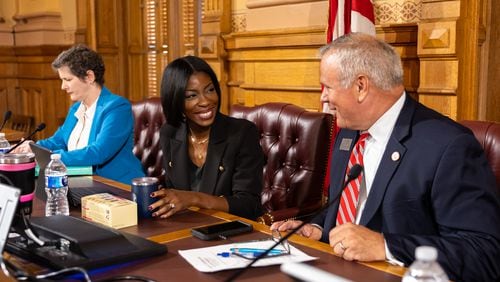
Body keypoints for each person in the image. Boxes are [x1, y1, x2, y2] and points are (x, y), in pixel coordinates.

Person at [271, 33, 500, 281]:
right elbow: (351, 207)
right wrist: (318, 229)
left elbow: (484, 252)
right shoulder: (348, 131)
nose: (323, 98)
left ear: (361, 86)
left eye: (327, 87)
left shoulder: (448, 146)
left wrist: (386, 246)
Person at [149, 56, 264, 220]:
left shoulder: (242, 133)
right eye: (191, 96)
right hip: (186, 227)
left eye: (210, 90)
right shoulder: (170, 133)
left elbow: (249, 205)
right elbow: (172, 189)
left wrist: (194, 198)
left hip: (229, 230)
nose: (206, 101)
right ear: (176, 101)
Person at [12, 44, 145, 184]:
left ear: (89, 77)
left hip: (117, 187)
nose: (63, 87)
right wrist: (33, 148)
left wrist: (52, 158)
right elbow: (59, 140)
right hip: (83, 183)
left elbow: (98, 152)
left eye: (68, 80)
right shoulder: (76, 109)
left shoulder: (117, 107)